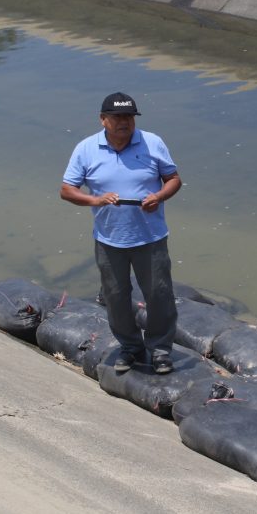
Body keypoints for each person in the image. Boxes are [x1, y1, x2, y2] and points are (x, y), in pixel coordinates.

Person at [61, 92, 181, 374]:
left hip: (150, 238)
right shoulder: (86, 148)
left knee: (159, 296)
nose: (124, 122)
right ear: (103, 120)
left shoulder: (152, 143)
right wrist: (96, 200)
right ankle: (131, 347)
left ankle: (161, 350)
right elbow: (67, 190)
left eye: (129, 116)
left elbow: (173, 179)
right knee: (115, 297)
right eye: (117, 117)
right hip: (108, 239)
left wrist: (159, 197)